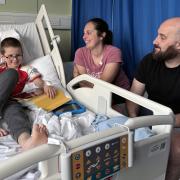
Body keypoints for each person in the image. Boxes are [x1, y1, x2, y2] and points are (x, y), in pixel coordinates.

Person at [126, 17, 180, 180]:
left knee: (176, 150)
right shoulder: (150, 61)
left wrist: (159, 124)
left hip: (175, 122)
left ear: (178, 45)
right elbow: (134, 95)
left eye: (162, 37)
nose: (154, 41)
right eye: (157, 35)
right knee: (111, 117)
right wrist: (134, 121)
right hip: (149, 116)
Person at [0, 37, 56, 150]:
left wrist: (45, 86)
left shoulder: (27, 69)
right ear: (2, 56)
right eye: (10, 56)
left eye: (18, 55)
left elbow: (38, 82)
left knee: (16, 115)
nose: (15, 59)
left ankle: (27, 142)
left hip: (11, 101)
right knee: (11, 74)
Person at [73, 18, 130, 98]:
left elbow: (103, 85)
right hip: (94, 95)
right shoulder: (80, 53)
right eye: (84, 33)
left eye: (88, 33)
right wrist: (81, 79)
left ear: (102, 35)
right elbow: (83, 84)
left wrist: (78, 76)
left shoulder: (114, 52)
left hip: (119, 95)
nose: (84, 37)